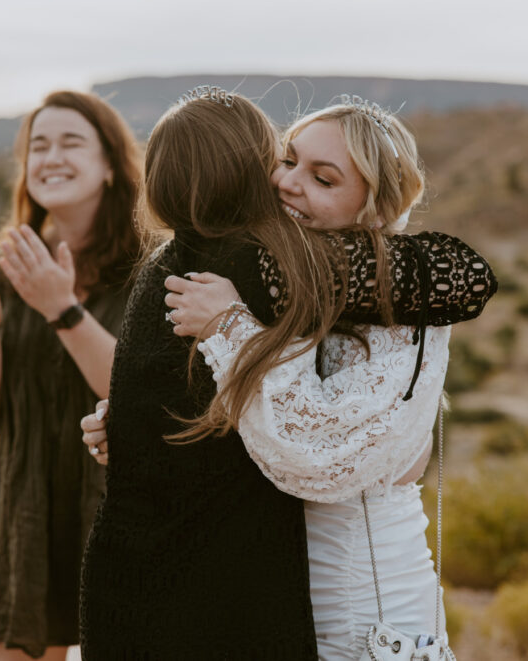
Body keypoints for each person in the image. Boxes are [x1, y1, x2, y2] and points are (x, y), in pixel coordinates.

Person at [78, 87, 496, 659]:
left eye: (324, 179)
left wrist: (229, 327)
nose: (291, 185)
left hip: (367, 604)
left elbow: (317, 457)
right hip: (276, 590)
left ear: (376, 206)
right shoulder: (272, 270)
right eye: (287, 161)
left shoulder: (376, 297)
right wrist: (140, 426)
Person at [0, 90, 141, 660]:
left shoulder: (149, 266)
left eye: (71, 143)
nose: (51, 158)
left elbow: (141, 393)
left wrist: (62, 309)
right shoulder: (11, 262)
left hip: (118, 512)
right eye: (38, 146)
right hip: (20, 511)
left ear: (109, 166)